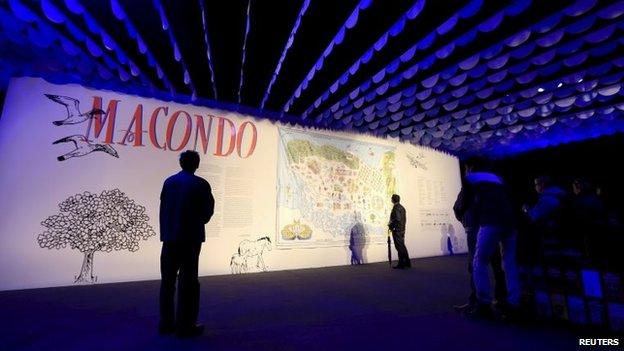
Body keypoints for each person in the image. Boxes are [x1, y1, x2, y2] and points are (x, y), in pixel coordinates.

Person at [159, 150, 215, 337]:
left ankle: (166, 323)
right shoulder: (201, 184)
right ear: (197, 164)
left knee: (167, 282)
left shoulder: (169, 182)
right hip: (190, 240)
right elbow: (207, 213)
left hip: (169, 238)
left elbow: (164, 208)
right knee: (189, 282)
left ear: (181, 163)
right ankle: (186, 325)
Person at [464, 158, 519, 318]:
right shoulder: (498, 179)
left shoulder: (472, 178)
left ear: (471, 167)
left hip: (490, 222)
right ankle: (514, 304)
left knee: (479, 261)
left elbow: (466, 204)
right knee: (509, 263)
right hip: (510, 223)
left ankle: (484, 303)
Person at [453, 160, 506, 313]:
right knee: (496, 265)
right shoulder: (493, 185)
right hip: (493, 228)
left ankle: (479, 301)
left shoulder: (470, 185)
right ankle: (500, 299)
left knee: (476, 265)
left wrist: (464, 219)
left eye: (466, 169)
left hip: (475, 229)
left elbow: (459, 207)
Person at [388, 194, 410, 269]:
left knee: (399, 247)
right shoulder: (402, 208)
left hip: (397, 230)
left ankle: (401, 264)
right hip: (402, 229)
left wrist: (391, 225)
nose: (391, 200)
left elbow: (397, 219)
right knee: (402, 246)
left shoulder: (396, 208)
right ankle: (407, 262)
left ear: (393, 200)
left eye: (391, 198)